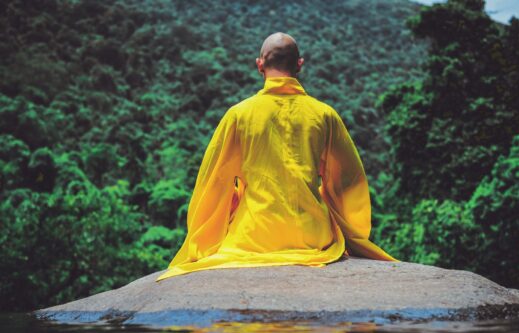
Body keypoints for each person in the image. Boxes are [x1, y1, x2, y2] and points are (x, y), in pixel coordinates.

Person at [156, 32, 399, 282]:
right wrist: (349, 232)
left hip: (253, 238)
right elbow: (349, 181)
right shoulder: (324, 115)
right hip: (313, 236)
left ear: (259, 64)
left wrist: (211, 232)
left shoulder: (239, 115)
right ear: (299, 64)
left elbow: (214, 183)